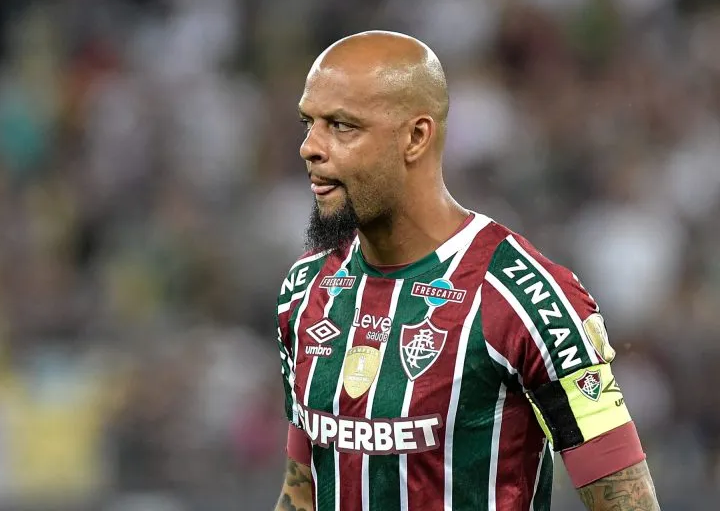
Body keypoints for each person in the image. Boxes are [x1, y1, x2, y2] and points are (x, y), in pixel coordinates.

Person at [272, 31, 659, 511]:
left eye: (341, 126)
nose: (310, 147)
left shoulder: (526, 298)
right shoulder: (306, 290)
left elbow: (628, 503)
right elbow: (301, 492)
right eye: (308, 123)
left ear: (416, 136)